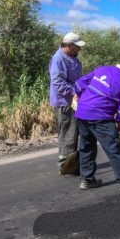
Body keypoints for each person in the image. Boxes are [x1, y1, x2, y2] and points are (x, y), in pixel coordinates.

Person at [74, 57, 120, 191]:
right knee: (114, 150)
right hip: (101, 116)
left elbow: (79, 84)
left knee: (86, 147)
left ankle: (87, 180)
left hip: (82, 112)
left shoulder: (102, 69)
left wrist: (79, 96)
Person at [48, 32, 85, 175]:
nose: (79, 49)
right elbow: (57, 82)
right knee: (68, 133)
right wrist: (73, 92)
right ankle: (65, 165)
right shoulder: (58, 59)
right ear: (69, 46)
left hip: (73, 101)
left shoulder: (72, 57)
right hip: (65, 102)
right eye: (77, 47)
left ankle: (73, 163)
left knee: (75, 132)